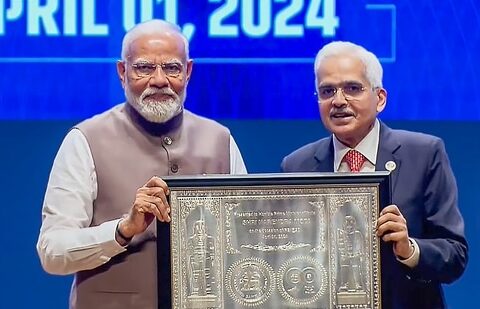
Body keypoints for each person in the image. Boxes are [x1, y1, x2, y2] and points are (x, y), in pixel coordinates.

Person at [36, 19, 247, 309]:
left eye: (172, 68)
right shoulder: (85, 140)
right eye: (144, 68)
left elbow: (246, 244)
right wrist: (122, 230)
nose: (159, 80)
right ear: (122, 72)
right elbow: (52, 251)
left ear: (188, 72)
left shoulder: (220, 140)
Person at [281, 41, 467, 308]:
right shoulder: (297, 166)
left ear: (379, 98)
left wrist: (409, 249)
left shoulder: (424, 154)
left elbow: (455, 255)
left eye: (352, 88)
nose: (338, 101)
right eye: (327, 91)